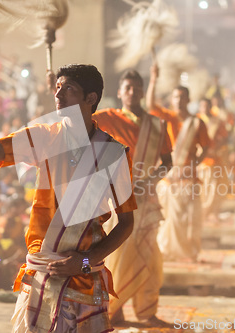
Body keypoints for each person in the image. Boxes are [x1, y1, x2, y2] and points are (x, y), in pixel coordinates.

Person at [0, 64, 136, 332]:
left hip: (84, 276)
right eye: (57, 87)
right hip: (41, 270)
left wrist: (86, 261)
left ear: (91, 98)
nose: (58, 95)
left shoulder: (113, 153)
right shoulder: (43, 137)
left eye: (68, 89)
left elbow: (126, 222)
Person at [93, 70, 172, 326]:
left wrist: (148, 181)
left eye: (137, 87)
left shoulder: (158, 125)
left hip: (146, 199)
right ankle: (114, 310)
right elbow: (78, 120)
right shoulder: (107, 118)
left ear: (142, 90)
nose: (132, 92)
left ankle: (146, 311)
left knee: (150, 255)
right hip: (116, 197)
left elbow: (167, 163)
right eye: (127, 87)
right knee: (117, 255)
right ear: (120, 92)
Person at [146, 64, 210, 262]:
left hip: (188, 178)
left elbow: (206, 147)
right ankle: (168, 252)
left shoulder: (197, 122)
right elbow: (150, 105)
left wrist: (195, 162)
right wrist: (153, 79)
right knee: (169, 219)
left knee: (189, 219)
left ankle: (188, 252)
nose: (179, 101)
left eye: (182, 97)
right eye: (175, 97)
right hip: (168, 178)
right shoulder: (167, 117)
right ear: (171, 100)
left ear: (189, 100)